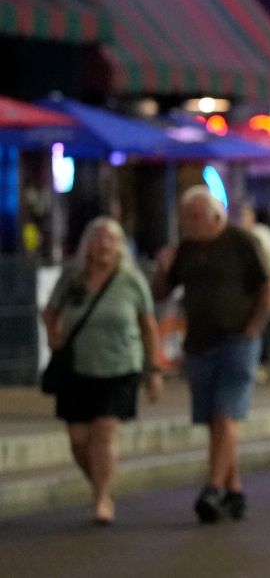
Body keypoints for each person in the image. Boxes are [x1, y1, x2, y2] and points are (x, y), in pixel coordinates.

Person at [153, 187, 270, 524]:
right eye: (186, 217)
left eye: (196, 216)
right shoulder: (187, 249)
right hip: (199, 343)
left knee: (226, 413)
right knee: (213, 420)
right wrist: (162, 268)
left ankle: (213, 488)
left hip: (236, 339)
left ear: (214, 215)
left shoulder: (241, 242)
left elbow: (269, 286)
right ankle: (234, 489)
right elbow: (162, 291)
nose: (190, 223)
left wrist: (254, 327)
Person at [40, 217, 163, 524]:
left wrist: (153, 370)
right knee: (79, 439)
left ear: (120, 246)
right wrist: (53, 335)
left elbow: (148, 326)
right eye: (97, 238)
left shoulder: (131, 281)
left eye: (111, 239)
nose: (104, 244)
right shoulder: (73, 279)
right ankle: (100, 483)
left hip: (120, 366)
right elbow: (50, 310)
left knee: (104, 433)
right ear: (87, 244)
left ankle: (101, 498)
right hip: (76, 368)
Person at [236, 202, 270, 372]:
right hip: (253, 291)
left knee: (261, 324)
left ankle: (259, 362)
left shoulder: (261, 235)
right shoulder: (239, 236)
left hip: (267, 289)